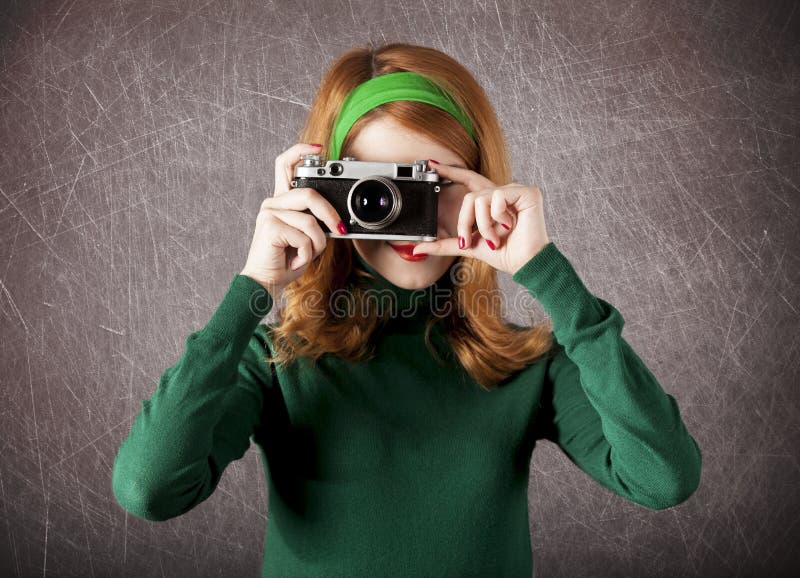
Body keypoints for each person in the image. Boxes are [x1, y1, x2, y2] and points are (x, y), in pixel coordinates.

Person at [111, 42, 702, 577]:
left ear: (482, 186)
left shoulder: (528, 364)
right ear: (319, 189)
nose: (398, 213)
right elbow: (149, 489)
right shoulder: (275, 362)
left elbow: (664, 478)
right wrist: (253, 288)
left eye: (431, 185)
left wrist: (545, 272)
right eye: (372, 188)